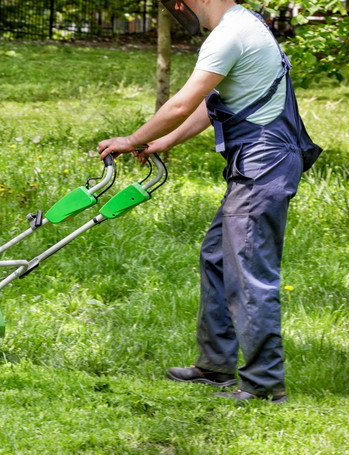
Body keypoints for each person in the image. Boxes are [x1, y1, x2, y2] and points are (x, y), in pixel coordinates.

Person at [98, 0, 320, 403]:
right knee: (218, 257)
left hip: (264, 163)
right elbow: (209, 104)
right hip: (260, 161)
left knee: (247, 269)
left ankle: (265, 385)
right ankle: (215, 366)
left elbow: (182, 103)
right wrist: (162, 141)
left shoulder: (229, 34)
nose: (179, 7)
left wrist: (129, 139)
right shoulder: (244, 24)